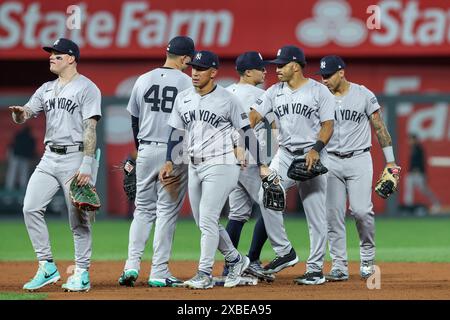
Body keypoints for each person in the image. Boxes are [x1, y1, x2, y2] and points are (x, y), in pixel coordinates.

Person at [159, 51, 264, 289]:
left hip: (222, 162)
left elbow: (246, 131)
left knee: (208, 219)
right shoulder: (183, 97)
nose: (195, 72)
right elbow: (176, 133)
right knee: (203, 222)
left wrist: (263, 164)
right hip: (194, 164)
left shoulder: (228, 99)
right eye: (194, 67)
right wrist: (169, 161)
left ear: (213, 73)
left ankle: (204, 273)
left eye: (201, 68)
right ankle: (237, 260)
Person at [9, 38, 102, 292]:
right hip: (50, 157)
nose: (51, 57)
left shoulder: (87, 88)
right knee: (30, 207)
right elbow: (26, 114)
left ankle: (81, 273)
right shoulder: (46, 88)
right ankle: (47, 265)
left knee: (78, 218)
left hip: (76, 156)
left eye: (57, 55)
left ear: (71, 58)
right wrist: (20, 114)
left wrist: (87, 163)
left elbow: (90, 127)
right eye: (51, 54)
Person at [249, 45, 335, 285]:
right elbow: (253, 115)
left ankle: (316, 269)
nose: (276, 69)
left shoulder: (319, 91)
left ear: (295, 66)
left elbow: (328, 125)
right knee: (265, 193)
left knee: (315, 214)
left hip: (312, 156)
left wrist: (316, 150)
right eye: (276, 64)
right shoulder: (274, 91)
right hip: (285, 154)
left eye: (281, 65)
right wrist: (247, 126)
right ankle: (284, 251)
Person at [118, 36, 195, 288]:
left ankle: (131, 266)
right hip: (174, 151)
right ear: (185, 58)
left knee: (142, 211)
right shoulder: (187, 82)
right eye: (190, 60)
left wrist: (140, 151)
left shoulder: (143, 79)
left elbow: (134, 120)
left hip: (146, 150)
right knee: (166, 213)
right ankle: (158, 272)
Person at [317, 55, 400, 281]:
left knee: (362, 211)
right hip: (330, 160)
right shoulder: (319, 96)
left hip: (359, 159)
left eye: (329, 75)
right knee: (332, 214)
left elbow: (380, 127)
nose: (324, 79)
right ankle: (339, 264)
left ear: (341, 72)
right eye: (322, 75)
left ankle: (366, 257)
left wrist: (390, 162)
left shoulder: (363, 94)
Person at [222, 51, 275, 282]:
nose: (265, 71)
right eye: (260, 68)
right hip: (254, 160)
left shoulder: (223, 94)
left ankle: (230, 265)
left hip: (229, 160)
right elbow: (274, 131)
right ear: (248, 72)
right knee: (272, 207)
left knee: (237, 214)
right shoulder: (263, 96)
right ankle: (252, 259)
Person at [404, 133, 441, 214]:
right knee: (408, 188)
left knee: (424, 190)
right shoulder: (412, 148)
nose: (409, 141)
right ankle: (408, 207)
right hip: (412, 174)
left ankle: (436, 203)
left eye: (411, 139)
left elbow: (421, 162)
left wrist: (422, 173)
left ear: (415, 140)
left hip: (419, 174)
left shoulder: (419, 148)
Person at [5, 126, 37, 191]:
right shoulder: (29, 138)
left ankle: (10, 187)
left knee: (13, 172)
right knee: (22, 173)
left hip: (17, 156)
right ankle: (20, 188)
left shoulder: (19, 135)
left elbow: (11, 145)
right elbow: (31, 151)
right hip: (18, 156)